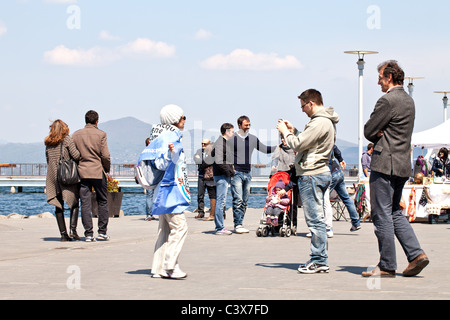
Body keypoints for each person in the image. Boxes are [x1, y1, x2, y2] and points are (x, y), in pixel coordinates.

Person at [362, 60, 429, 278]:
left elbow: (369, 130)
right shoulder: (409, 101)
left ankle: (387, 265)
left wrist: (379, 132)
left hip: (384, 164)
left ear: (389, 77)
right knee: (394, 211)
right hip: (402, 164)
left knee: (381, 214)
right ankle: (416, 254)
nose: (378, 81)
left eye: (380, 77)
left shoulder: (387, 100)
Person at [277, 89, 339, 274]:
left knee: (314, 220)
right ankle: (320, 258)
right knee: (317, 218)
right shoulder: (323, 122)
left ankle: (319, 260)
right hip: (318, 172)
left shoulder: (320, 122)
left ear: (311, 103)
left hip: (312, 173)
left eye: (303, 106)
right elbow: (309, 141)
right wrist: (294, 130)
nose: (302, 110)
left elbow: (298, 144)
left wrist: (285, 133)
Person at [150, 104, 189, 279]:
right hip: (170, 190)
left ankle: (158, 268)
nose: (184, 120)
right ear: (175, 120)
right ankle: (170, 266)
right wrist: (172, 155)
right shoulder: (169, 137)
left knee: (164, 230)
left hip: (162, 190)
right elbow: (161, 164)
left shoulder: (158, 136)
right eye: (182, 117)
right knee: (180, 227)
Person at [231, 115, 276, 234]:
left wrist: (278, 148)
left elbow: (265, 149)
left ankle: (240, 222)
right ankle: (238, 224)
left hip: (247, 173)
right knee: (238, 199)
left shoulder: (252, 139)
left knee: (245, 200)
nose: (248, 127)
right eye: (246, 125)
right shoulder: (233, 138)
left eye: (249, 125)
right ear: (239, 125)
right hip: (236, 173)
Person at [73, 110, 111, 242]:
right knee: (103, 201)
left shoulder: (76, 135)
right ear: (97, 121)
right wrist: (107, 169)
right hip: (97, 171)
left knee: (85, 203)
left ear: (85, 120)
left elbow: (74, 154)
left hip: (82, 172)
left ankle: (88, 234)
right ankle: (102, 232)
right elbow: (105, 155)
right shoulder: (101, 134)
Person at [45, 120, 81, 241]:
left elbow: (48, 160)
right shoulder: (66, 140)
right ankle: (73, 230)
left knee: (58, 205)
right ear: (64, 128)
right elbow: (76, 155)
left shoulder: (48, 142)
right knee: (74, 202)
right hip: (66, 176)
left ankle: (63, 234)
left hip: (53, 177)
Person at [323, 145, 361, 234]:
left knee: (324, 199)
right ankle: (356, 222)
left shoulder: (318, 141)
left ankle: (327, 227)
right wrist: (340, 159)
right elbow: (335, 149)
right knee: (346, 198)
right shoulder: (329, 140)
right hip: (338, 171)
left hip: (330, 173)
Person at [270, 135, 299, 232]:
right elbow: (274, 159)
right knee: (277, 199)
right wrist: (273, 167)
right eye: (281, 138)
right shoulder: (279, 148)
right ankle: (277, 223)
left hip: (292, 175)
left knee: (292, 202)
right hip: (280, 175)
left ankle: (292, 223)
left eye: (285, 138)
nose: (283, 140)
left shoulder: (295, 148)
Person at [211, 123, 235, 235]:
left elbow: (212, 154)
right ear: (227, 131)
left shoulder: (222, 143)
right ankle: (219, 228)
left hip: (221, 174)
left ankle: (220, 226)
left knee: (221, 201)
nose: (233, 133)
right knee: (220, 201)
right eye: (232, 131)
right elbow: (219, 161)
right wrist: (230, 172)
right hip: (221, 175)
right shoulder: (220, 143)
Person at [193, 139, 216, 221]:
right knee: (200, 195)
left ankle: (220, 212)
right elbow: (196, 160)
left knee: (214, 195)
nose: (203, 145)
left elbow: (211, 161)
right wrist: (204, 162)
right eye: (202, 143)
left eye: (205, 144)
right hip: (201, 176)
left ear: (209, 144)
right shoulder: (199, 151)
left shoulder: (212, 151)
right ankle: (201, 212)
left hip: (211, 177)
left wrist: (202, 161)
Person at [144, 137, 156, 221]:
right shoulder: (156, 152)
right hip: (157, 176)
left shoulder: (145, 153)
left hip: (148, 177)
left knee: (149, 196)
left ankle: (149, 214)